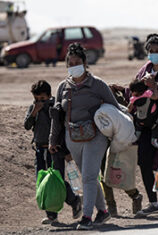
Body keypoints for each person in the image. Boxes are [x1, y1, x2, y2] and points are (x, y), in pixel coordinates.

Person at [111, 34, 158, 216]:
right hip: (146, 125)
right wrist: (122, 90)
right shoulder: (145, 69)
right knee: (143, 161)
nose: (154, 54)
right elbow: (136, 91)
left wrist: (157, 86)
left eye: (157, 51)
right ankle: (153, 202)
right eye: (151, 51)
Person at [49, 43, 119, 230]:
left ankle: (87, 216)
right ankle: (103, 212)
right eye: (70, 63)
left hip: (96, 137)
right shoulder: (63, 87)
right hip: (72, 138)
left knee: (88, 177)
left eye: (77, 62)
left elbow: (115, 110)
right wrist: (52, 140)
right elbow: (57, 116)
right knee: (88, 176)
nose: (74, 65)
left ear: (85, 63)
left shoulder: (98, 84)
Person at [24, 80, 81, 224]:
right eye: (37, 99)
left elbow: (61, 130)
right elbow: (26, 125)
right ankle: (51, 215)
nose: (39, 102)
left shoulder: (56, 108)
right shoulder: (33, 108)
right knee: (43, 181)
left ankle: (74, 201)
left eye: (42, 99)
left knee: (56, 180)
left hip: (55, 150)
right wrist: (34, 111)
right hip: (39, 150)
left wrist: (66, 151)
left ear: (49, 96)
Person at [128, 78, 158, 148]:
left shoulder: (133, 98)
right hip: (152, 119)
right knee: (157, 126)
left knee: (137, 127)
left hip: (139, 120)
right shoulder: (147, 93)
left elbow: (129, 109)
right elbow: (156, 97)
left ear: (134, 91)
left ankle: (136, 137)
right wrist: (155, 88)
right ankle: (154, 139)